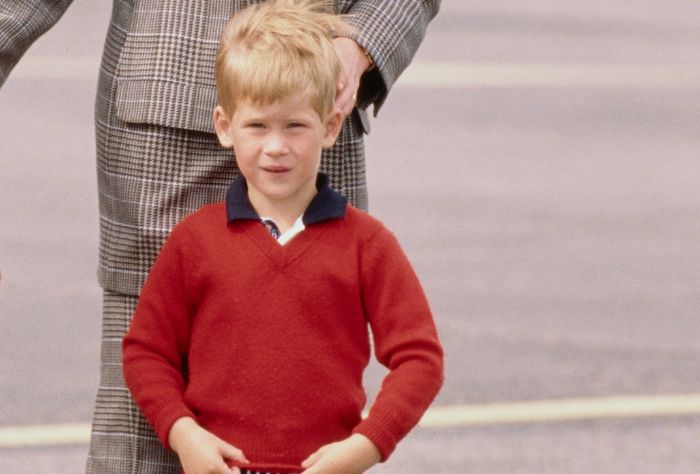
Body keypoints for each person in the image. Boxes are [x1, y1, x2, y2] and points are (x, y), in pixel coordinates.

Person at [0, 0, 441, 472]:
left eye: (287, 131)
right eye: (258, 131)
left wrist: (363, 41)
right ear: (226, 126)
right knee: (139, 435)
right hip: (158, 126)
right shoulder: (197, 237)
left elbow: (419, 357)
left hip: (320, 84)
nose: (273, 147)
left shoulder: (366, 242)